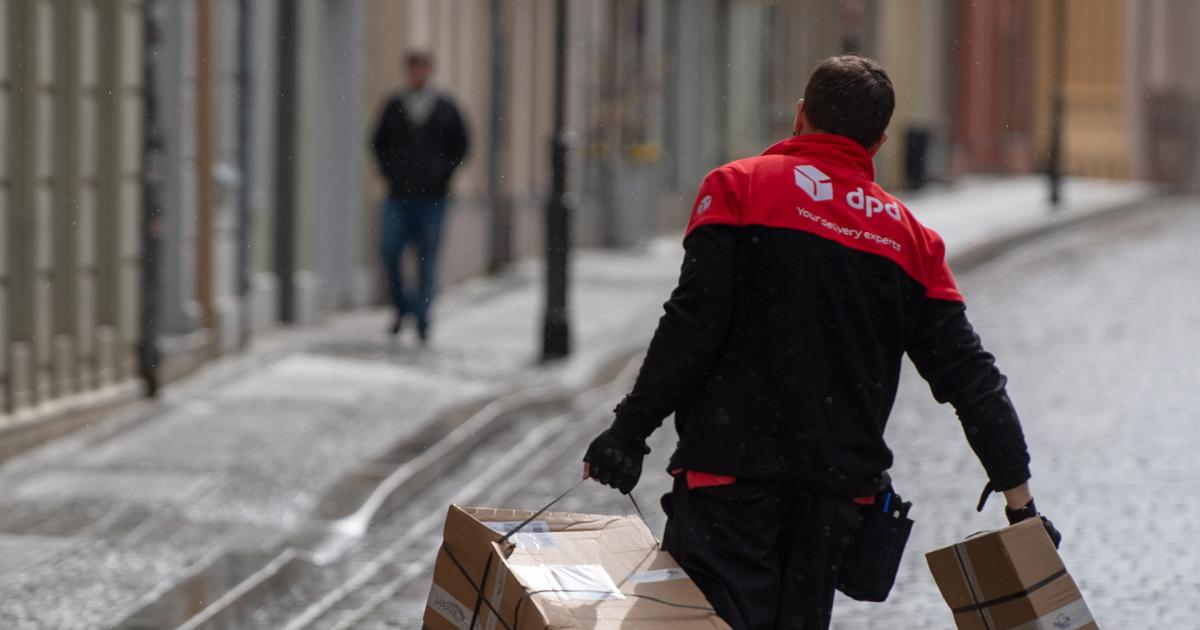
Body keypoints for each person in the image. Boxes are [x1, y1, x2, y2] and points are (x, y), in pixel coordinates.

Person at [582, 55, 1060, 630]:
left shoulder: (738, 188)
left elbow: (693, 323)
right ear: (879, 141)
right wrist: (1021, 504)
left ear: (800, 115)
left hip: (728, 481)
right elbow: (972, 379)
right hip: (834, 503)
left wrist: (630, 432)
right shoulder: (912, 243)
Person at [371, 50, 469, 342]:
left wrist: (443, 173)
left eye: (422, 69)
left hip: (433, 197)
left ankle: (424, 318)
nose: (417, 74)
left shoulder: (445, 107)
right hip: (399, 195)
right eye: (413, 69)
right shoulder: (394, 106)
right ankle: (402, 307)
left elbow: (462, 144)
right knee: (390, 251)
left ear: (429, 71)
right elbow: (378, 143)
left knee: (427, 259)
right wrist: (391, 172)